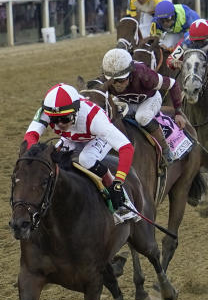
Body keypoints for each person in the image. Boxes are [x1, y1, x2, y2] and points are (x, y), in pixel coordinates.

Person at [22, 83, 136, 220]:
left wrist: (119, 181)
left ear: (76, 111)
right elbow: (30, 137)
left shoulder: (95, 119)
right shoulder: (48, 111)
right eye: (54, 120)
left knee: (86, 158)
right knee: (51, 159)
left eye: (65, 119)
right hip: (71, 137)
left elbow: (126, 148)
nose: (60, 124)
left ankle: (122, 200)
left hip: (96, 136)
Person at [101, 47, 186, 166]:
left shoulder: (144, 74)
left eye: (121, 80)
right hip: (125, 101)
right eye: (113, 81)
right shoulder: (105, 79)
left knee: (142, 117)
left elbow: (172, 84)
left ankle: (166, 150)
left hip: (150, 99)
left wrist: (178, 113)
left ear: (130, 73)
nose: (117, 85)